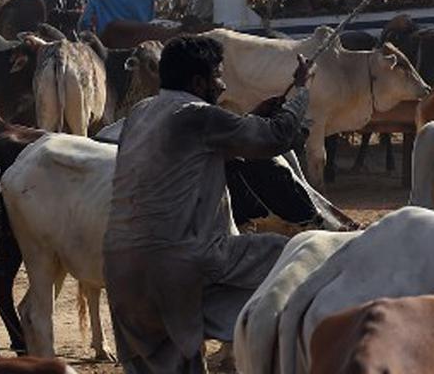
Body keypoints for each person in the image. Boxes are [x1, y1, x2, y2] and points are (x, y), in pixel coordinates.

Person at [103, 35, 311, 373]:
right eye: (217, 75)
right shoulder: (198, 115)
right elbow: (276, 138)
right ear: (199, 82)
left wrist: (253, 116)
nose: (223, 83)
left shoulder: (141, 113)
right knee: (294, 256)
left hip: (119, 267)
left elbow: (197, 149)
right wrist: (301, 92)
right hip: (178, 261)